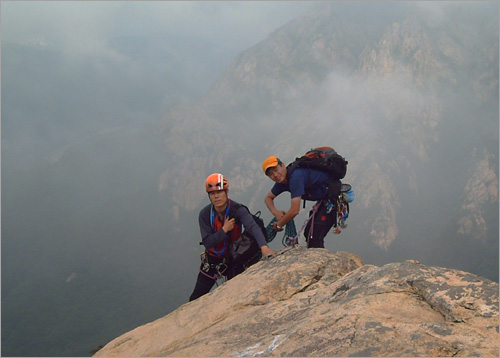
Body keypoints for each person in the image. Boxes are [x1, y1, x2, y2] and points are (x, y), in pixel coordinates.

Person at [189, 173, 275, 301]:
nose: (216, 196)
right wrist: (224, 230)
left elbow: (252, 226)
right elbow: (208, 242)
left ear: (226, 192)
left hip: (233, 260)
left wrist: (264, 248)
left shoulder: (237, 210)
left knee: (237, 298)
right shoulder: (205, 214)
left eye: (219, 192)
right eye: (212, 194)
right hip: (212, 261)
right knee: (195, 299)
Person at [262, 156, 341, 249]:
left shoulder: (295, 178)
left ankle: (322, 262)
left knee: (314, 237)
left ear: (283, 165)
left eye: (276, 170)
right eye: (271, 174)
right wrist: (276, 212)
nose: (275, 175)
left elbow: (294, 210)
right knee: (309, 234)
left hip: (333, 199)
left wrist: (279, 225)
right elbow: (268, 198)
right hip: (325, 200)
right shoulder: (282, 181)